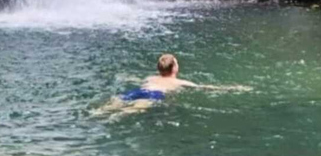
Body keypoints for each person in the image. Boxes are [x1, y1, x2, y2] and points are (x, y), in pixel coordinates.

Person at [95, 54, 249, 115]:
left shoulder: (150, 77)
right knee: (135, 109)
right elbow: (205, 88)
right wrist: (232, 88)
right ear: (175, 68)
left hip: (139, 89)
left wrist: (122, 76)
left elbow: (135, 79)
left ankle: (99, 113)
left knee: (117, 102)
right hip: (154, 94)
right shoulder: (179, 82)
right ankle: (115, 117)